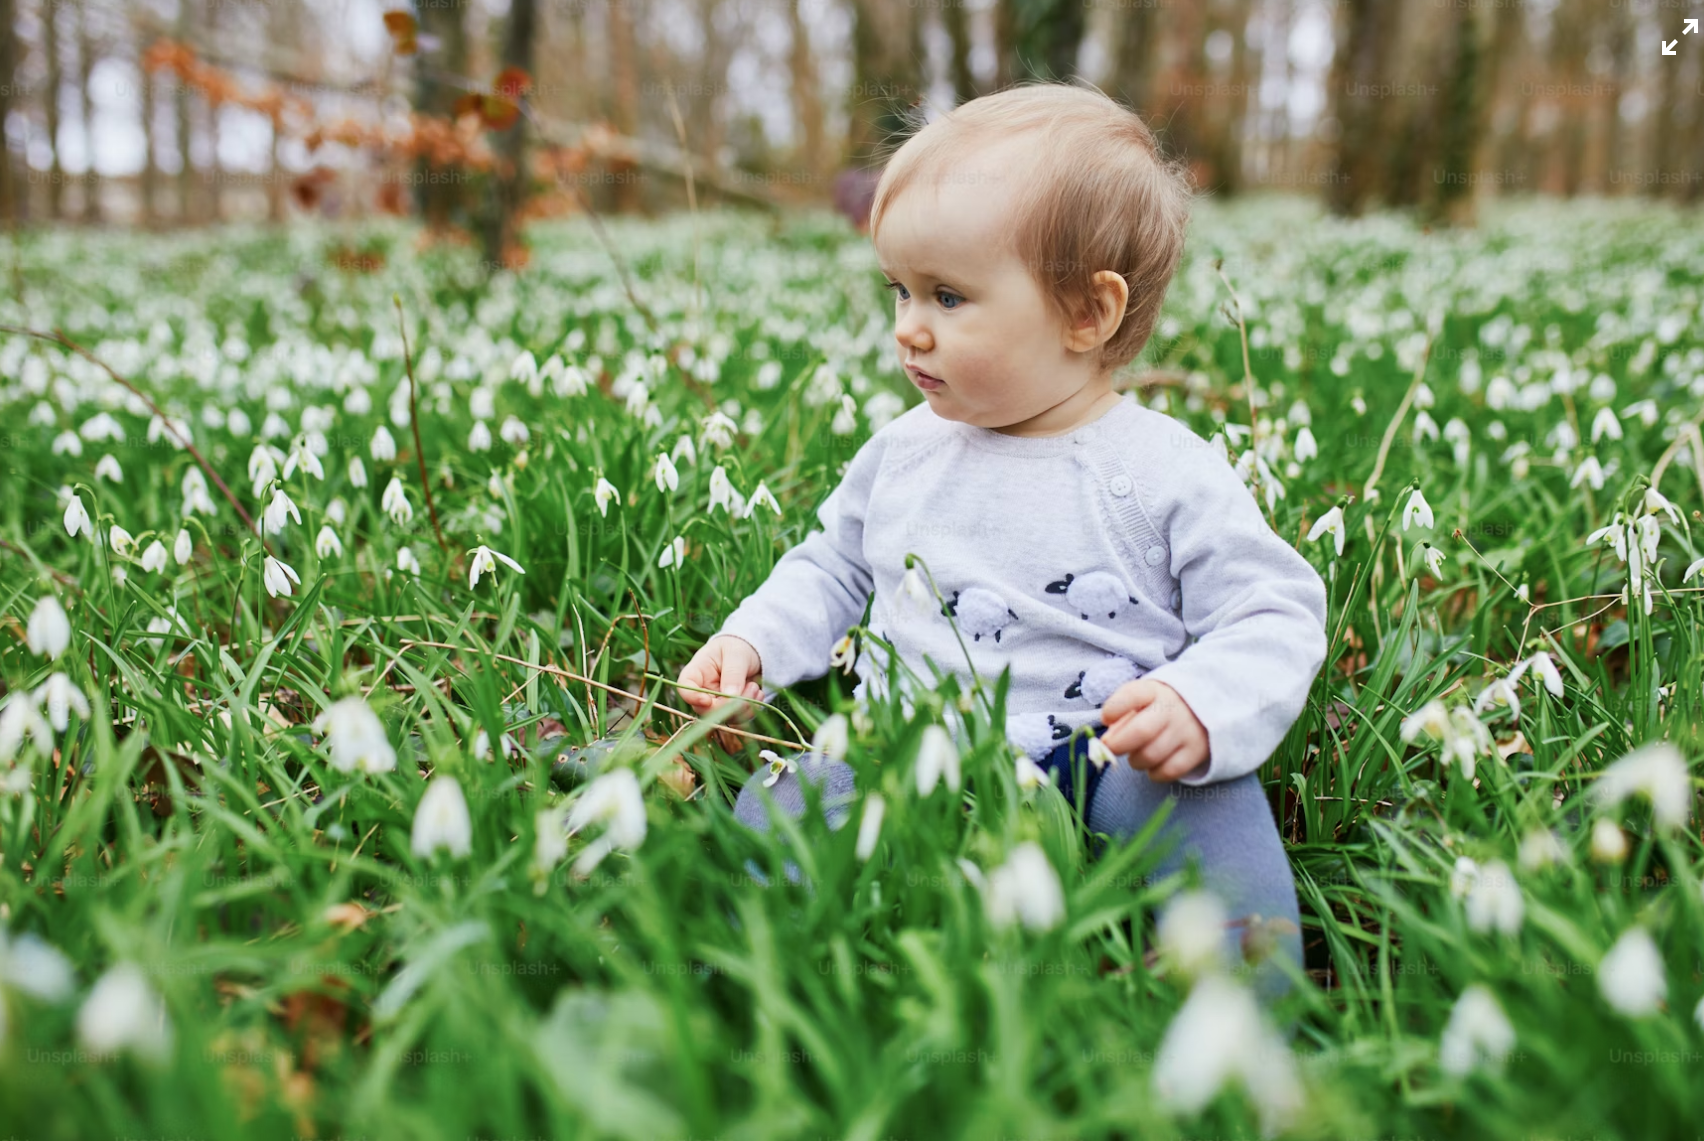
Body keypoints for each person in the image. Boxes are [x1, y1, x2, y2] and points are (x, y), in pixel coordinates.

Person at [674, 81, 1328, 1005]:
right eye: (898, 289)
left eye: (947, 294)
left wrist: (1201, 702)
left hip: (1110, 757)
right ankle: (756, 993)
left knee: (1211, 803)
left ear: (1087, 314)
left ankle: (1247, 1012)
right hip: (900, 748)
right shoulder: (902, 453)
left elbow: (1273, 607)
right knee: (787, 796)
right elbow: (831, 565)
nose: (908, 325)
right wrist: (753, 641)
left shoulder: (1163, 470)